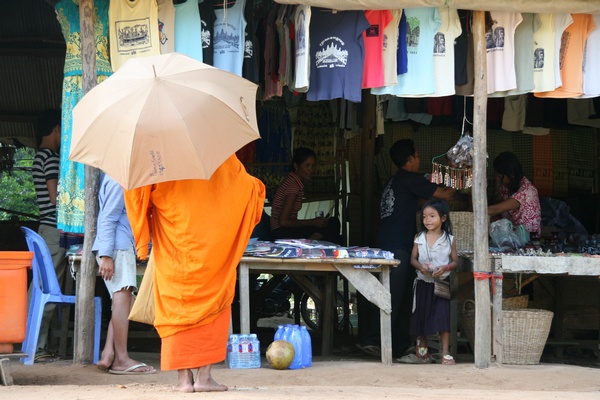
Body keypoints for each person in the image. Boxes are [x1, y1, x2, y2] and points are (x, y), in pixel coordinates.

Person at [124, 155, 265, 392]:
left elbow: (136, 194)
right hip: (212, 252)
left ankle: (183, 381)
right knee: (214, 305)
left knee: (175, 307)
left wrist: (142, 239)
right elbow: (248, 189)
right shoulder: (219, 154)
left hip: (174, 245)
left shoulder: (157, 157)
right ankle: (204, 378)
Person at [357, 138, 456, 359]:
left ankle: (399, 344)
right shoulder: (409, 179)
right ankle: (375, 341)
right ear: (410, 159)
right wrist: (459, 173)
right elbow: (445, 196)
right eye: (418, 156)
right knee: (393, 297)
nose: (419, 160)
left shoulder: (394, 182)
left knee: (397, 297)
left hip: (387, 244)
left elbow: (418, 204)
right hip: (398, 247)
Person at [92, 173, 156, 375]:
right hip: (116, 247)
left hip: (120, 246)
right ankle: (121, 360)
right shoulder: (117, 178)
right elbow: (108, 218)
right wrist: (106, 255)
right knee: (122, 299)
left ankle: (108, 354)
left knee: (124, 300)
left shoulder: (122, 177)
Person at [402, 199, 458, 365]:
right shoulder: (419, 237)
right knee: (421, 316)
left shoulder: (449, 239)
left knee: (442, 316)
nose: (427, 220)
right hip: (422, 282)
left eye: (432, 216)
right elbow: (413, 258)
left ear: (443, 218)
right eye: (425, 216)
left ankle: (445, 353)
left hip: (441, 283)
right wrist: (421, 267)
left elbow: (456, 261)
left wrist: (445, 267)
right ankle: (423, 351)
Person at [31, 108, 66, 361]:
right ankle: (38, 346)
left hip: (45, 228)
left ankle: (31, 341)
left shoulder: (37, 157)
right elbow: (56, 198)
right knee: (49, 290)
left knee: (39, 288)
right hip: (54, 232)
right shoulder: (51, 158)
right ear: (56, 129)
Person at [270, 147, 341, 244]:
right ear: (296, 166)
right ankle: (308, 243)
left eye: (313, 166)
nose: (311, 170)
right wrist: (313, 222)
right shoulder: (293, 186)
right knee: (333, 225)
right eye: (307, 166)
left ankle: (311, 241)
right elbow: (283, 222)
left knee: (332, 223)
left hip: (283, 230)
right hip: (281, 232)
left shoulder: (293, 181)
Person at [487, 151, 541, 237]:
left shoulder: (527, 191)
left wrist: (472, 210)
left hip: (526, 240)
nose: (497, 179)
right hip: (511, 236)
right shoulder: (507, 186)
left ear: (511, 175)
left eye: (500, 177)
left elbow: (493, 209)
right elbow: (495, 203)